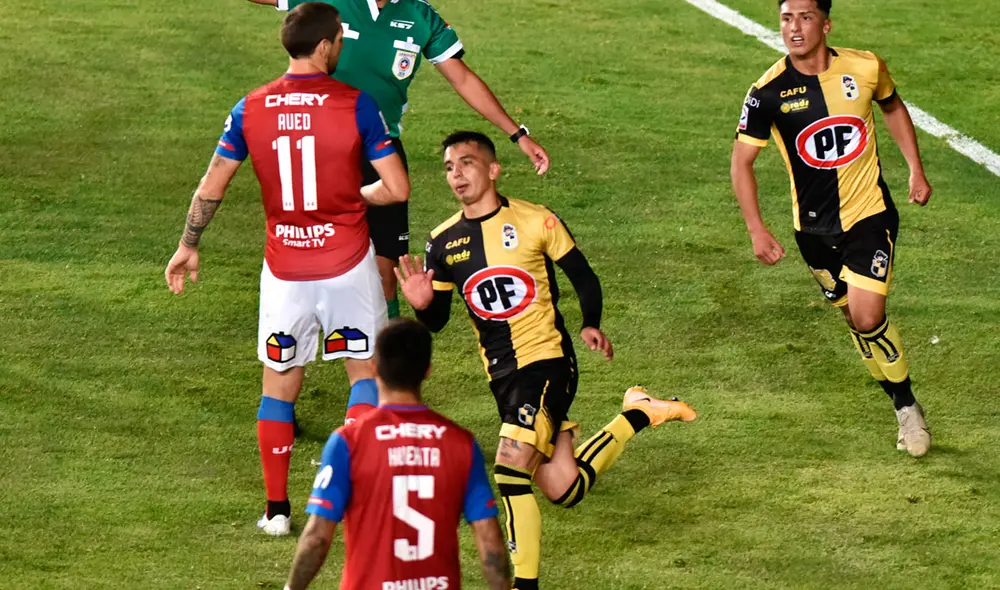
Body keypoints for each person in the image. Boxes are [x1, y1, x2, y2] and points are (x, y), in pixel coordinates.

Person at [394, 131, 697, 590]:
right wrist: (421, 303)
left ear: (493, 169)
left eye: (467, 163)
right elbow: (435, 321)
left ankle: (525, 584)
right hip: (504, 377)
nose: (457, 174)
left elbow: (582, 274)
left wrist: (591, 322)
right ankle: (638, 413)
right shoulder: (443, 241)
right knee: (562, 487)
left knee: (509, 469)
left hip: (548, 362)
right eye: (450, 167)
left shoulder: (536, 220)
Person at [164, 2, 410, 536]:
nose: (341, 47)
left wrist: (189, 244)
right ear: (325, 46)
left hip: (285, 271)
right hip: (347, 265)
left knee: (278, 387)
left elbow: (211, 185)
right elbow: (396, 188)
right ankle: (349, 497)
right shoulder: (357, 104)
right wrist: (350, 195)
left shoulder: (249, 108)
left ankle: (276, 510)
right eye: (339, 41)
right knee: (364, 374)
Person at [248, 0, 551, 321]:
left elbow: (461, 79)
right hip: (320, 149)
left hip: (381, 154)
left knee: (384, 275)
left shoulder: (420, 16)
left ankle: (382, 364)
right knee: (309, 267)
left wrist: (517, 133)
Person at [730, 0, 933, 457]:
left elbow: (894, 108)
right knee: (854, 320)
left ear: (825, 23)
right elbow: (742, 162)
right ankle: (900, 403)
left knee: (866, 316)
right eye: (786, 18)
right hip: (814, 232)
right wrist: (756, 230)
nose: (794, 28)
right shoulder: (766, 92)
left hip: (869, 214)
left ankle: (907, 408)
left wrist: (915, 170)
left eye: (804, 17)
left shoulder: (865, 66)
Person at [285, 318, 511, 590]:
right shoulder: (460, 444)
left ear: (374, 367)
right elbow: (489, 540)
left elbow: (317, 538)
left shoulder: (348, 443)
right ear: (427, 370)